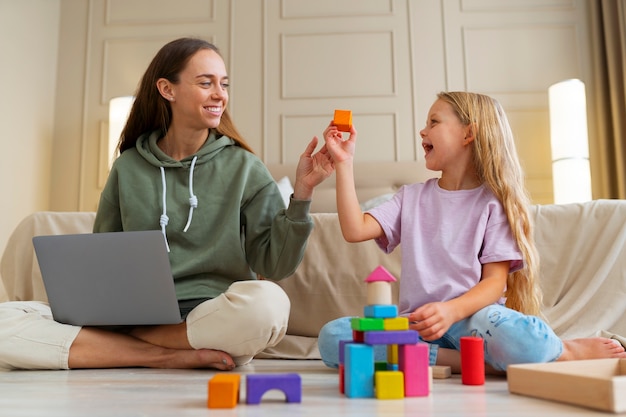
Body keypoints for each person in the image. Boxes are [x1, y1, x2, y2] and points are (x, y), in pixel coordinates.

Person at [0, 37, 333, 371]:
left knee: (269, 305)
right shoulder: (127, 168)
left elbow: (275, 265)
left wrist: (302, 194)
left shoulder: (244, 167)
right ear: (167, 89)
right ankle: (168, 355)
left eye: (224, 84)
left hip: (211, 314)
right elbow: (105, 255)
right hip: (133, 315)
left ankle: (121, 348)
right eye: (206, 83)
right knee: (5, 320)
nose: (220, 94)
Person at [317, 91, 626, 373]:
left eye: (434, 122)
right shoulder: (410, 197)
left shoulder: (493, 204)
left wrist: (450, 312)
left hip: (473, 319)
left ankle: (565, 351)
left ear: (469, 133)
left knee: (526, 341)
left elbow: (494, 283)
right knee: (333, 338)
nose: (422, 131)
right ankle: (470, 363)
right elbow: (354, 229)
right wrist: (344, 162)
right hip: (415, 325)